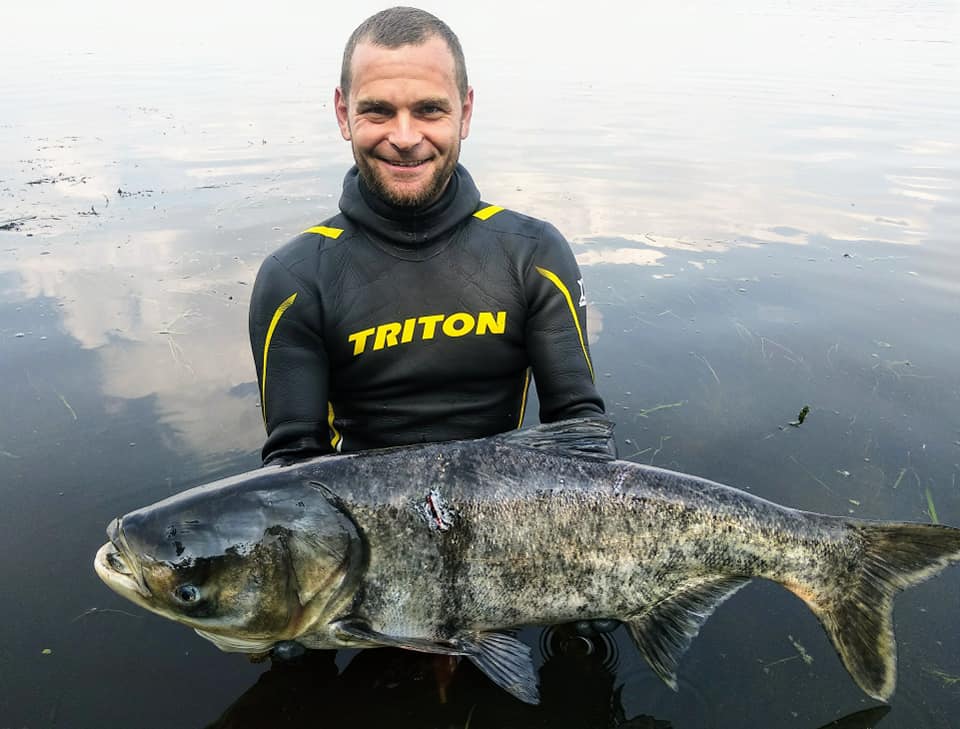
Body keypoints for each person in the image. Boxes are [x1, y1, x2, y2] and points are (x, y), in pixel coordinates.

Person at [249, 6, 605, 465]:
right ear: (343, 113)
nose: (404, 136)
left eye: (429, 110)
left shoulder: (533, 253)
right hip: (364, 528)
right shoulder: (295, 279)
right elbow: (293, 473)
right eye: (377, 111)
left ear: (465, 112)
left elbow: (582, 437)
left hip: (507, 516)